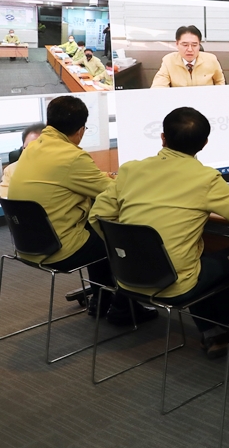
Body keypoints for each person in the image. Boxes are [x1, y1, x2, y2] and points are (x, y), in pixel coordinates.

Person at [89, 107, 229, 359]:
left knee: (195, 253)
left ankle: (212, 331)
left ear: (162, 138)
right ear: (205, 143)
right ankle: (221, 330)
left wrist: (122, 249)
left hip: (125, 277)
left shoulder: (130, 170)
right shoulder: (205, 179)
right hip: (174, 284)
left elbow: (97, 216)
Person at [8, 96, 156, 324]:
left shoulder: (32, 149)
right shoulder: (72, 156)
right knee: (120, 238)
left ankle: (101, 300)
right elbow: (113, 191)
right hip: (59, 248)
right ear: (80, 130)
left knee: (94, 230)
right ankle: (123, 308)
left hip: (28, 245)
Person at [151, 25, 225, 88]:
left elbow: (220, 82)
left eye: (194, 45)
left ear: (199, 45)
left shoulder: (211, 59)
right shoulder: (169, 60)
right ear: (177, 44)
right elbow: (158, 86)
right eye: (185, 45)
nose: (190, 49)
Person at [0, 123, 43, 199]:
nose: (30, 152)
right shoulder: (11, 170)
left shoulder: (60, 169)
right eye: (26, 148)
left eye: (36, 148)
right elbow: (4, 197)